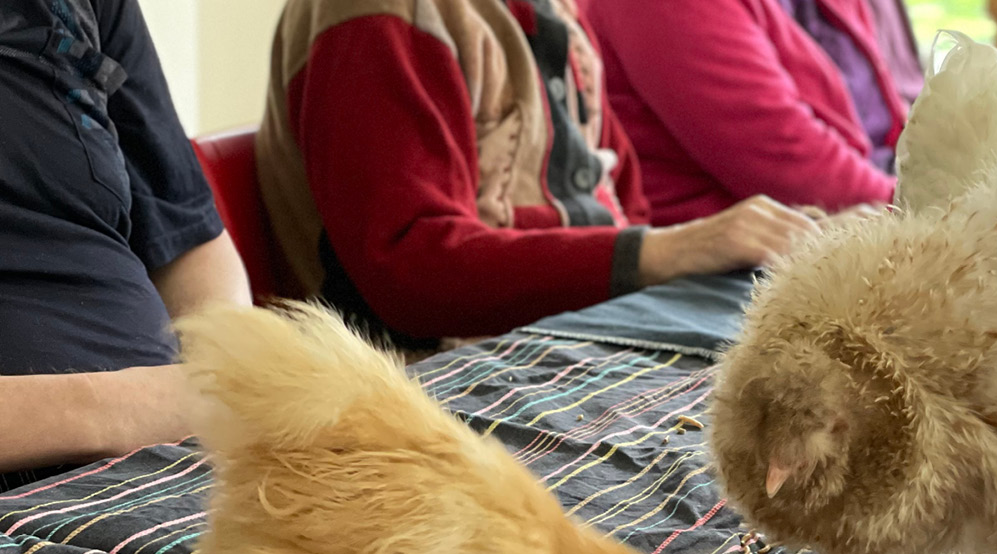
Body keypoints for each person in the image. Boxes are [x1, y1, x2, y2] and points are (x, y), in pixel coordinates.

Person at [255, 0, 823, 357]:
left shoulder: (560, 15)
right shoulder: (374, 17)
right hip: (438, 367)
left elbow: (622, 198)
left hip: (583, 331)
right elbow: (412, 276)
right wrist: (670, 250)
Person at [0, 0, 252, 489]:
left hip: (172, 455)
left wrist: (233, 379)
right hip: (42, 493)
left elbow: (190, 240)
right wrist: (125, 408)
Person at [581, 0, 908, 226]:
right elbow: (786, 159)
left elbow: (883, 116)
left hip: (848, 210)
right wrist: (922, 203)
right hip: (728, 255)